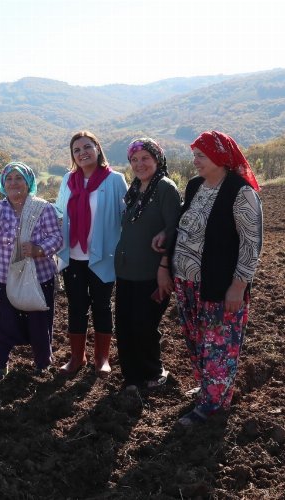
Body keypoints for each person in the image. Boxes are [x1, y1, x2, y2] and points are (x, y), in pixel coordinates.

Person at [167, 131, 262, 426]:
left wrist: (239, 285)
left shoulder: (240, 191)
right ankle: (208, 388)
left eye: (200, 156)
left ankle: (212, 405)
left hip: (221, 285)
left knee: (218, 345)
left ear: (220, 157)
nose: (194, 161)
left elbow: (251, 243)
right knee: (196, 340)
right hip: (187, 282)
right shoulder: (195, 186)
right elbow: (187, 224)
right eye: (194, 155)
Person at [0, 162, 63, 383]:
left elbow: (57, 238)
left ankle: (42, 367)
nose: (13, 183)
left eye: (19, 178)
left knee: (39, 324)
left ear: (28, 182)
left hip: (38, 278)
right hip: (3, 277)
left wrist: (39, 249)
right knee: (0, 322)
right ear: (3, 184)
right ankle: (1, 367)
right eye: (9, 179)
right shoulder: (0, 208)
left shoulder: (43, 208)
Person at [54, 131, 128, 377]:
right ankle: (77, 357)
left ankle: (102, 358)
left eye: (87, 147)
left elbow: (125, 216)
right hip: (73, 254)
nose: (82, 152)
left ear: (98, 148)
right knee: (76, 306)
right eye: (76, 150)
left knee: (102, 306)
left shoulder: (115, 180)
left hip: (103, 256)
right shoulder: (68, 180)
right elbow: (58, 211)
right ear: (73, 156)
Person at [114, 138, 182, 391]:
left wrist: (164, 267)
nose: (139, 164)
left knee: (144, 325)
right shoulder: (135, 189)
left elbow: (175, 227)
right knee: (125, 324)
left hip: (151, 272)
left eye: (145, 158)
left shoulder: (165, 188)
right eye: (134, 159)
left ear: (157, 159)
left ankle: (153, 373)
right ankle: (131, 376)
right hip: (126, 270)